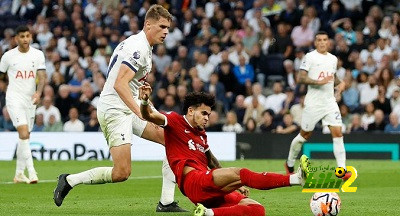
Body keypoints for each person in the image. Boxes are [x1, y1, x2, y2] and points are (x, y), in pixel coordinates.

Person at [53, 5, 186, 212]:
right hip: (115, 109)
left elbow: (127, 81)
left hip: (129, 103)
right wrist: (141, 112)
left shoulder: (144, 46)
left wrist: (145, 99)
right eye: (162, 27)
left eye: (168, 27)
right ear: (148, 24)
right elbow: (119, 84)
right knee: (121, 173)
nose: (166, 32)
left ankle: (166, 202)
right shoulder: (138, 48)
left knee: (171, 139)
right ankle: (69, 180)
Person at [139, 86, 310, 216]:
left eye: (209, 114)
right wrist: (145, 101)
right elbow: (149, 116)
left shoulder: (201, 135)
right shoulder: (175, 121)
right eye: (204, 113)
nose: (207, 118)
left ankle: (208, 213)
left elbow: (211, 160)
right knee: (241, 172)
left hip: (205, 189)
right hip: (193, 181)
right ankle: (295, 178)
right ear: (191, 111)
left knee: (257, 209)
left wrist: (235, 184)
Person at [285, 31, 351, 180]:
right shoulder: (310, 57)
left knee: (338, 133)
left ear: (328, 42)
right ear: (315, 43)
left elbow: (332, 76)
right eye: (319, 40)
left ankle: (342, 170)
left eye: (325, 39)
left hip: (329, 103)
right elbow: (300, 78)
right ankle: (289, 162)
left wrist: (341, 84)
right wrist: (317, 82)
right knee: (304, 136)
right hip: (313, 103)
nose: (322, 42)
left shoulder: (333, 59)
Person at [0, 25, 46, 184]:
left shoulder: (38, 55)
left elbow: (42, 76)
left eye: (27, 36)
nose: (25, 39)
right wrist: (5, 89)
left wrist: (39, 93)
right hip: (14, 98)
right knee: (24, 133)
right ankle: (32, 172)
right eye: (22, 36)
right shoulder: (8, 56)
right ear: (16, 39)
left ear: (31, 37)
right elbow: (1, 76)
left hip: (30, 100)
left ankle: (19, 173)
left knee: (25, 136)